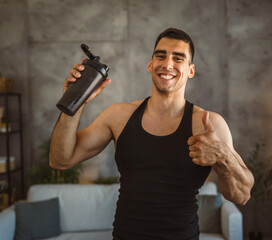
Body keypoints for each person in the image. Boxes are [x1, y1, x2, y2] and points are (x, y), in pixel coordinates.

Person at [49, 28, 254, 240]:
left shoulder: (209, 124)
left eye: (178, 58)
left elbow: (241, 195)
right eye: (161, 55)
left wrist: (224, 157)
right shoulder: (119, 116)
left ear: (190, 70)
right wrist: (75, 100)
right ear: (150, 64)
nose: (167, 64)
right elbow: (60, 160)